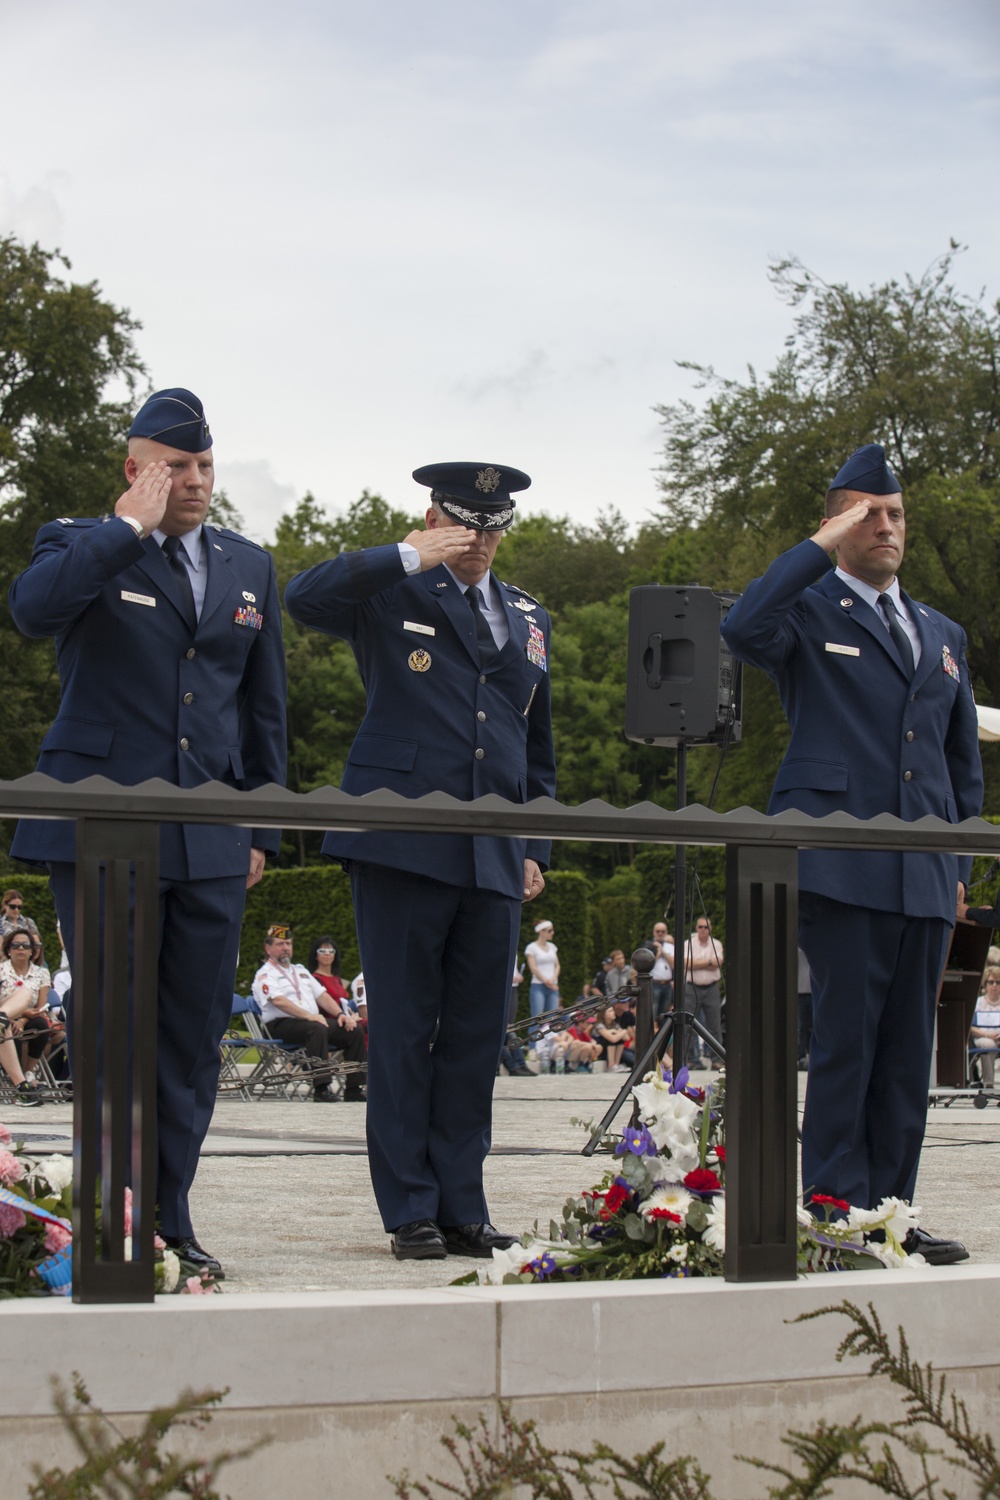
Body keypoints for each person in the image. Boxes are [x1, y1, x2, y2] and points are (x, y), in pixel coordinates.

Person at [8, 388, 287, 1276]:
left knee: (191, 1035)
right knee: (113, 1032)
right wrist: (123, 530)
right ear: (136, 472)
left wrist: (261, 830)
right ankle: (109, 1215)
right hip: (102, 829)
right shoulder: (78, 541)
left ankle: (170, 1217)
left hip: (209, 836)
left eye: (204, 466)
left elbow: (263, 710)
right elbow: (33, 612)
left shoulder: (249, 565)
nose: (195, 482)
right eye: (174, 467)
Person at [285, 460, 556, 1261]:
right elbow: (304, 598)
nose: (477, 541)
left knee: (476, 1035)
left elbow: (533, 743)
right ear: (433, 516)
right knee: (404, 1030)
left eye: (491, 526)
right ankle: (409, 1208)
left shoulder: (530, 615)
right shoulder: (393, 588)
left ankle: (463, 1205)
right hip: (402, 838)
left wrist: (534, 843)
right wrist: (406, 553)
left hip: (492, 849)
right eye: (463, 523)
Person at [722, 443, 982, 1265]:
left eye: (895, 514)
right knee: (848, 1040)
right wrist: (816, 548)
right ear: (838, 522)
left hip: (923, 868)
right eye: (867, 514)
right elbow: (741, 625)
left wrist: (961, 867)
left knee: (909, 1053)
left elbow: (957, 763)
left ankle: (890, 1212)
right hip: (840, 857)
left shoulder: (941, 631)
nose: (886, 527)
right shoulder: (808, 608)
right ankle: (833, 1210)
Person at [252, 926, 367, 1101]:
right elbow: (278, 1001)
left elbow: (322, 996)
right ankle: (321, 1088)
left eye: (288, 943)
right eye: (280, 944)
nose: (286, 947)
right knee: (316, 1028)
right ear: (268, 949)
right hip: (281, 1025)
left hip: (310, 1022)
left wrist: (340, 1015)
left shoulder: (301, 971)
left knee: (354, 1030)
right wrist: (308, 1016)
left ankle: (354, 1089)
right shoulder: (265, 974)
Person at [0, 927, 50, 1104]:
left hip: (25, 1017)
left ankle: (2, 1019)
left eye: (25, 945)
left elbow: (41, 1007)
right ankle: (22, 1087)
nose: (20, 948)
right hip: (10, 1014)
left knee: (26, 993)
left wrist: (21, 1019)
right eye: (15, 945)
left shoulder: (41, 972)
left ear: (31, 951)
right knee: (7, 1025)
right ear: (8, 949)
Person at [683, 917, 724, 1068]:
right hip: (692, 987)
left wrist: (696, 964)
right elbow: (686, 963)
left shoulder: (716, 943)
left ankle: (717, 1059)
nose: (703, 930)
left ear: (710, 928)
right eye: (700, 927)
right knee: (689, 1024)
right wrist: (709, 962)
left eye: (706, 927)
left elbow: (718, 963)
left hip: (712, 987)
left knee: (714, 1024)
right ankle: (690, 1059)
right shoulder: (688, 943)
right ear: (696, 927)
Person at [969, 970, 1000, 1088]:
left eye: (998, 982)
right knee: (989, 1045)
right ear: (985, 984)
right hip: (982, 1037)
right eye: (991, 982)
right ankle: (989, 1085)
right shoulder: (977, 1003)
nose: (995, 985)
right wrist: (987, 1034)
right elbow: (970, 1027)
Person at [524, 920, 560, 1019]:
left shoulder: (552, 947)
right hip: (538, 986)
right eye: (550, 931)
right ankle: (533, 1035)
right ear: (541, 931)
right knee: (537, 1017)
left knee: (552, 1018)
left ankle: (550, 1035)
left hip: (553, 985)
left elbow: (557, 965)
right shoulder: (531, 948)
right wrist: (547, 981)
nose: (552, 933)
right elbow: (533, 968)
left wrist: (553, 979)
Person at [648, 922, 674, 1024]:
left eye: (662, 931)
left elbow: (673, 963)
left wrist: (662, 950)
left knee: (665, 1012)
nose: (660, 933)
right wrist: (657, 952)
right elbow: (648, 964)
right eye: (658, 931)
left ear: (666, 932)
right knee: (653, 1011)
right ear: (653, 932)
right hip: (655, 983)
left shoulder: (670, 947)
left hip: (667, 984)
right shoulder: (648, 945)